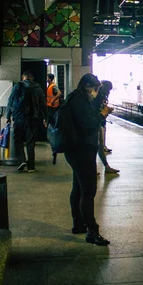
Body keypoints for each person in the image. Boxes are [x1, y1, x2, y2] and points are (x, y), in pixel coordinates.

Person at [59, 73, 111, 245]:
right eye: (95, 89)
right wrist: (103, 114)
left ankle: (78, 224)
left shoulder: (74, 98)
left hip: (75, 150)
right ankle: (91, 231)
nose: (95, 93)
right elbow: (88, 124)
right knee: (88, 191)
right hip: (82, 151)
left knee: (78, 189)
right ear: (88, 87)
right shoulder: (79, 102)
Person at [6, 70, 46, 173]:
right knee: (30, 142)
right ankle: (31, 167)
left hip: (18, 118)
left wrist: (8, 116)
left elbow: (10, 101)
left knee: (17, 140)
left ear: (23, 77)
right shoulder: (37, 88)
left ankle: (21, 160)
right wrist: (46, 118)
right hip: (32, 119)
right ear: (32, 78)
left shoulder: (17, 86)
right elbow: (43, 105)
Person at [92, 80, 119, 174]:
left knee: (99, 146)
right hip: (94, 123)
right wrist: (105, 111)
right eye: (109, 90)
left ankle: (106, 167)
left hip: (97, 122)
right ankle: (98, 168)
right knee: (97, 146)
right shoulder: (97, 96)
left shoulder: (99, 95)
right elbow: (96, 111)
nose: (109, 92)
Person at [46, 73, 62, 164]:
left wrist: (53, 100)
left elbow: (59, 93)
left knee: (51, 124)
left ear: (50, 78)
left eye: (47, 78)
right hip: (50, 107)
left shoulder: (53, 86)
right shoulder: (50, 86)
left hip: (53, 107)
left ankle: (52, 138)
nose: (46, 79)